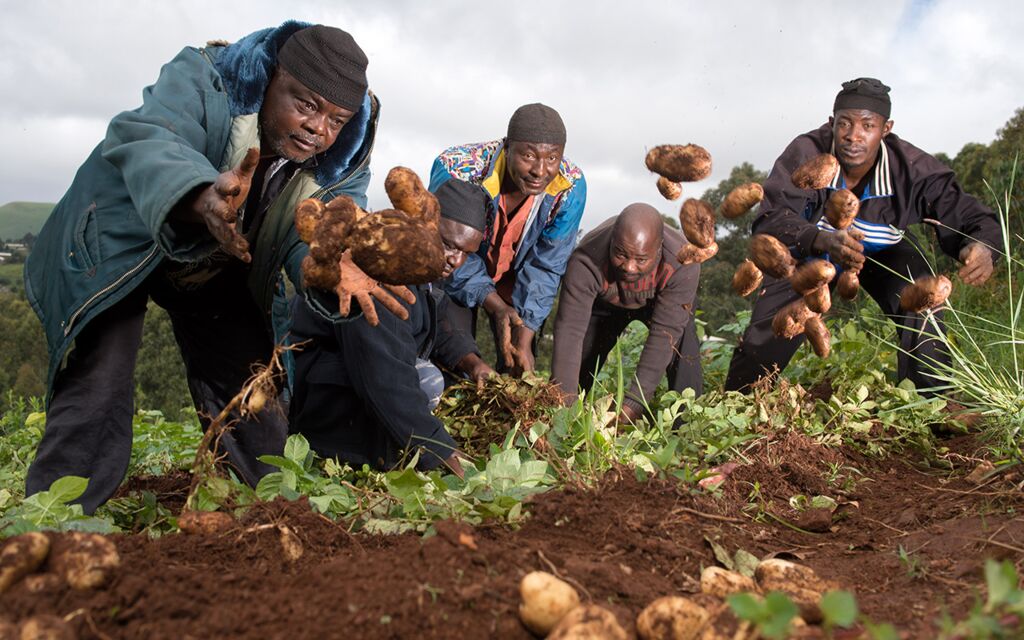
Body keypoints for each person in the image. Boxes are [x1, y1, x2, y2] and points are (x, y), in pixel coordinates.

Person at [24, 22, 382, 513]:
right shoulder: (209, 77)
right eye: (305, 104)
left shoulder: (344, 159)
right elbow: (150, 137)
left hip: (216, 265)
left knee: (253, 408)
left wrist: (321, 267)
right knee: (99, 381)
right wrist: (203, 195)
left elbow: (313, 235)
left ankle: (260, 517)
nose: (318, 129)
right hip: (125, 238)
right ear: (271, 76)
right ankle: (52, 522)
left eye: (336, 119)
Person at [725, 78, 1002, 393]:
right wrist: (821, 240)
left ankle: (932, 405)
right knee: (770, 334)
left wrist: (983, 247)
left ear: (886, 129)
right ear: (831, 124)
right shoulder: (806, 151)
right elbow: (770, 219)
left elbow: (969, 214)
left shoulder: (912, 169)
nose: (853, 136)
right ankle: (739, 404)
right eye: (844, 123)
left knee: (923, 298)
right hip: (811, 251)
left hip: (882, 251)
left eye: (868, 126)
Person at [288, 180, 494, 475]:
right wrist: (440, 452)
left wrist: (473, 364)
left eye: (467, 252)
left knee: (432, 378)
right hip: (329, 408)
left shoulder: (421, 265)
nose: (455, 260)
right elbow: (386, 377)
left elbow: (439, 321)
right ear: (424, 224)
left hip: (364, 379)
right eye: (448, 244)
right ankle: (357, 456)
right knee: (423, 380)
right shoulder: (378, 264)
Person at [430, 103, 587, 374]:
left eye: (552, 158)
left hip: (515, 279)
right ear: (507, 147)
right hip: (457, 269)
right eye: (528, 155)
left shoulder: (569, 188)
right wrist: (493, 304)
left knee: (517, 365)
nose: (540, 170)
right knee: (455, 357)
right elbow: (443, 247)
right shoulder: (458, 169)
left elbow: (547, 266)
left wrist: (525, 334)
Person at [550, 204, 702, 423]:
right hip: (605, 304)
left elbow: (665, 334)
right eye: (620, 254)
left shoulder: (683, 261)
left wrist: (634, 403)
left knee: (683, 348)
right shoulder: (586, 259)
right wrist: (563, 405)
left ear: (658, 250)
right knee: (578, 364)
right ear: (612, 241)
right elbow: (569, 330)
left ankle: (689, 427)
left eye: (641, 259)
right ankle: (568, 420)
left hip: (660, 302)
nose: (629, 267)